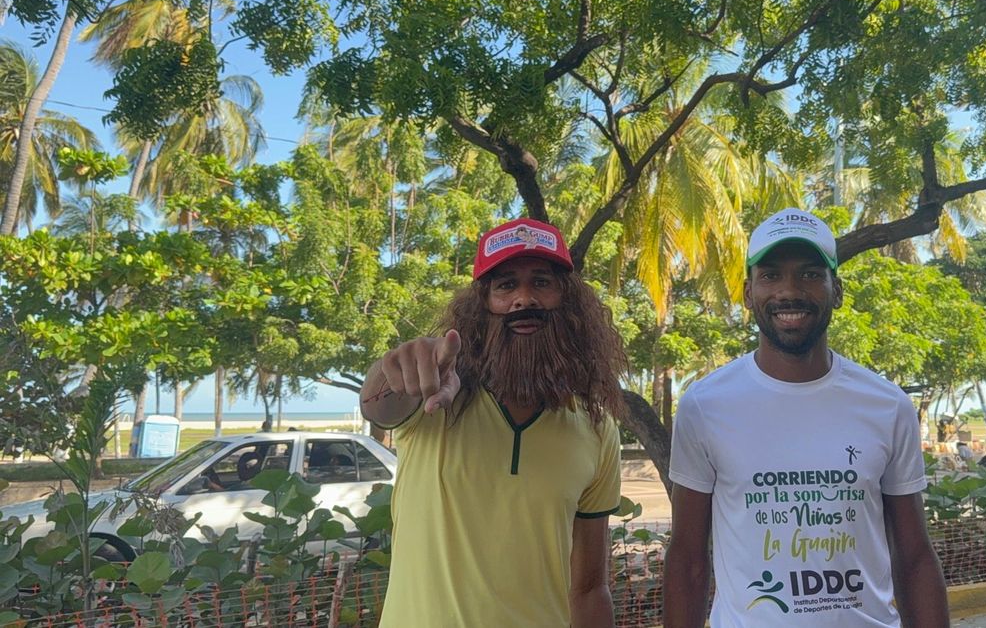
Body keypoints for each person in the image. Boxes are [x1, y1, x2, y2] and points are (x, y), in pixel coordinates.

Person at [663, 208, 949, 627]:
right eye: (771, 275)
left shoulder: (887, 405)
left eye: (811, 274)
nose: (789, 291)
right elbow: (687, 560)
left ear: (837, 290)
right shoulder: (704, 405)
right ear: (748, 293)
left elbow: (915, 557)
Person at [359, 217, 627, 627]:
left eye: (541, 282)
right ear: (481, 306)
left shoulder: (596, 426)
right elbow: (377, 406)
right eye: (505, 286)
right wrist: (400, 367)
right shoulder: (435, 400)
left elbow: (589, 588)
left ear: (568, 303)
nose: (524, 299)